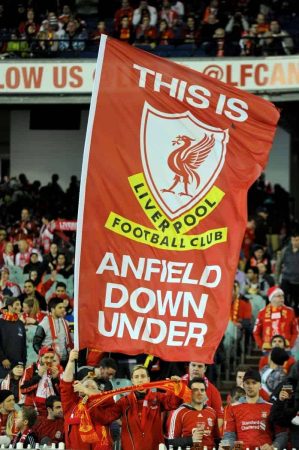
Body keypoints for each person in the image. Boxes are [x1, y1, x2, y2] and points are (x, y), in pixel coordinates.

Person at [99, 364, 183, 450]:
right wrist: (100, 401)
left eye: (143, 376)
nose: (140, 380)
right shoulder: (125, 402)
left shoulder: (157, 398)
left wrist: (177, 387)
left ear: (148, 379)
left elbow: (174, 403)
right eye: (136, 377)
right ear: (132, 381)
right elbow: (106, 417)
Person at [61, 349, 113, 450]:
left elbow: (108, 399)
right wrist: (71, 361)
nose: (87, 389)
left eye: (92, 388)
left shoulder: (103, 406)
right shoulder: (71, 405)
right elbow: (65, 385)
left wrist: (85, 389)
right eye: (85, 386)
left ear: (99, 391)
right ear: (78, 391)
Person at [222, 369, 287, 449]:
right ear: (243, 385)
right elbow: (228, 435)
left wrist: (273, 447)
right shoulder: (232, 408)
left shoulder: (271, 407)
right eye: (247, 383)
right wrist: (225, 448)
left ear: (260, 386)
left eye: (254, 382)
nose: (250, 386)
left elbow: (282, 435)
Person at [167, 377, 218, 449]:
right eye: (195, 390)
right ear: (189, 392)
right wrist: (191, 439)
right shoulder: (179, 413)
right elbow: (170, 443)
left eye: (202, 390)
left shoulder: (212, 412)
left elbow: (216, 439)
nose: (199, 393)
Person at [253, 286, 298, 351]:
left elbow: (295, 331)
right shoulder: (262, 312)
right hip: (268, 348)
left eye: (282, 295)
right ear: (271, 298)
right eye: (278, 296)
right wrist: (261, 345)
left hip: (286, 348)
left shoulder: (290, 311)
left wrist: (290, 345)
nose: (282, 298)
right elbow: (256, 332)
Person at [21, 347, 62, 416]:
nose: (49, 360)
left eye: (51, 358)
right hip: (34, 408)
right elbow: (23, 389)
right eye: (46, 357)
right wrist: (38, 376)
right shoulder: (30, 369)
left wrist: (55, 379)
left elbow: (62, 392)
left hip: (52, 408)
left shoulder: (57, 369)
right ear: (40, 358)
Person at [182, 362, 223, 429]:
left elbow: (219, 416)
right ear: (188, 366)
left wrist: (207, 433)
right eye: (193, 365)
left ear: (205, 369)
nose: (196, 369)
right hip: (182, 433)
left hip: (204, 433)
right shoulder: (178, 384)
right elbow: (170, 408)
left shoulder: (213, 390)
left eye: (200, 366)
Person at [33, 297, 73, 366]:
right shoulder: (44, 324)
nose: (63, 309)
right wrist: (44, 356)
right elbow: (35, 344)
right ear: (52, 309)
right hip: (50, 362)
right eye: (60, 308)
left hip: (65, 361)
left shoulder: (65, 322)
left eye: (63, 307)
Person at [0, 297, 26, 379]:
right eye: (17, 304)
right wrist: (2, 358)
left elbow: (23, 345)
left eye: (20, 305)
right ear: (9, 307)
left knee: (15, 390)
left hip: (18, 365)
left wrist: (23, 363)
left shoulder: (20, 323)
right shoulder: (1, 322)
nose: (20, 307)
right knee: (4, 390)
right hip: (3, 364)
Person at [276, 230, 299, 313]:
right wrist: (276, 280)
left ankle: (295, 317)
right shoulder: (285, 250)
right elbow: (278, 265)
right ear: (291, 240)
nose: (295, 242)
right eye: (293, 240)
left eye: (297, 240)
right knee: (283, 299)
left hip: (297, 281)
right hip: (286, 279)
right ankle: (285, 314)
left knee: (296, 302)